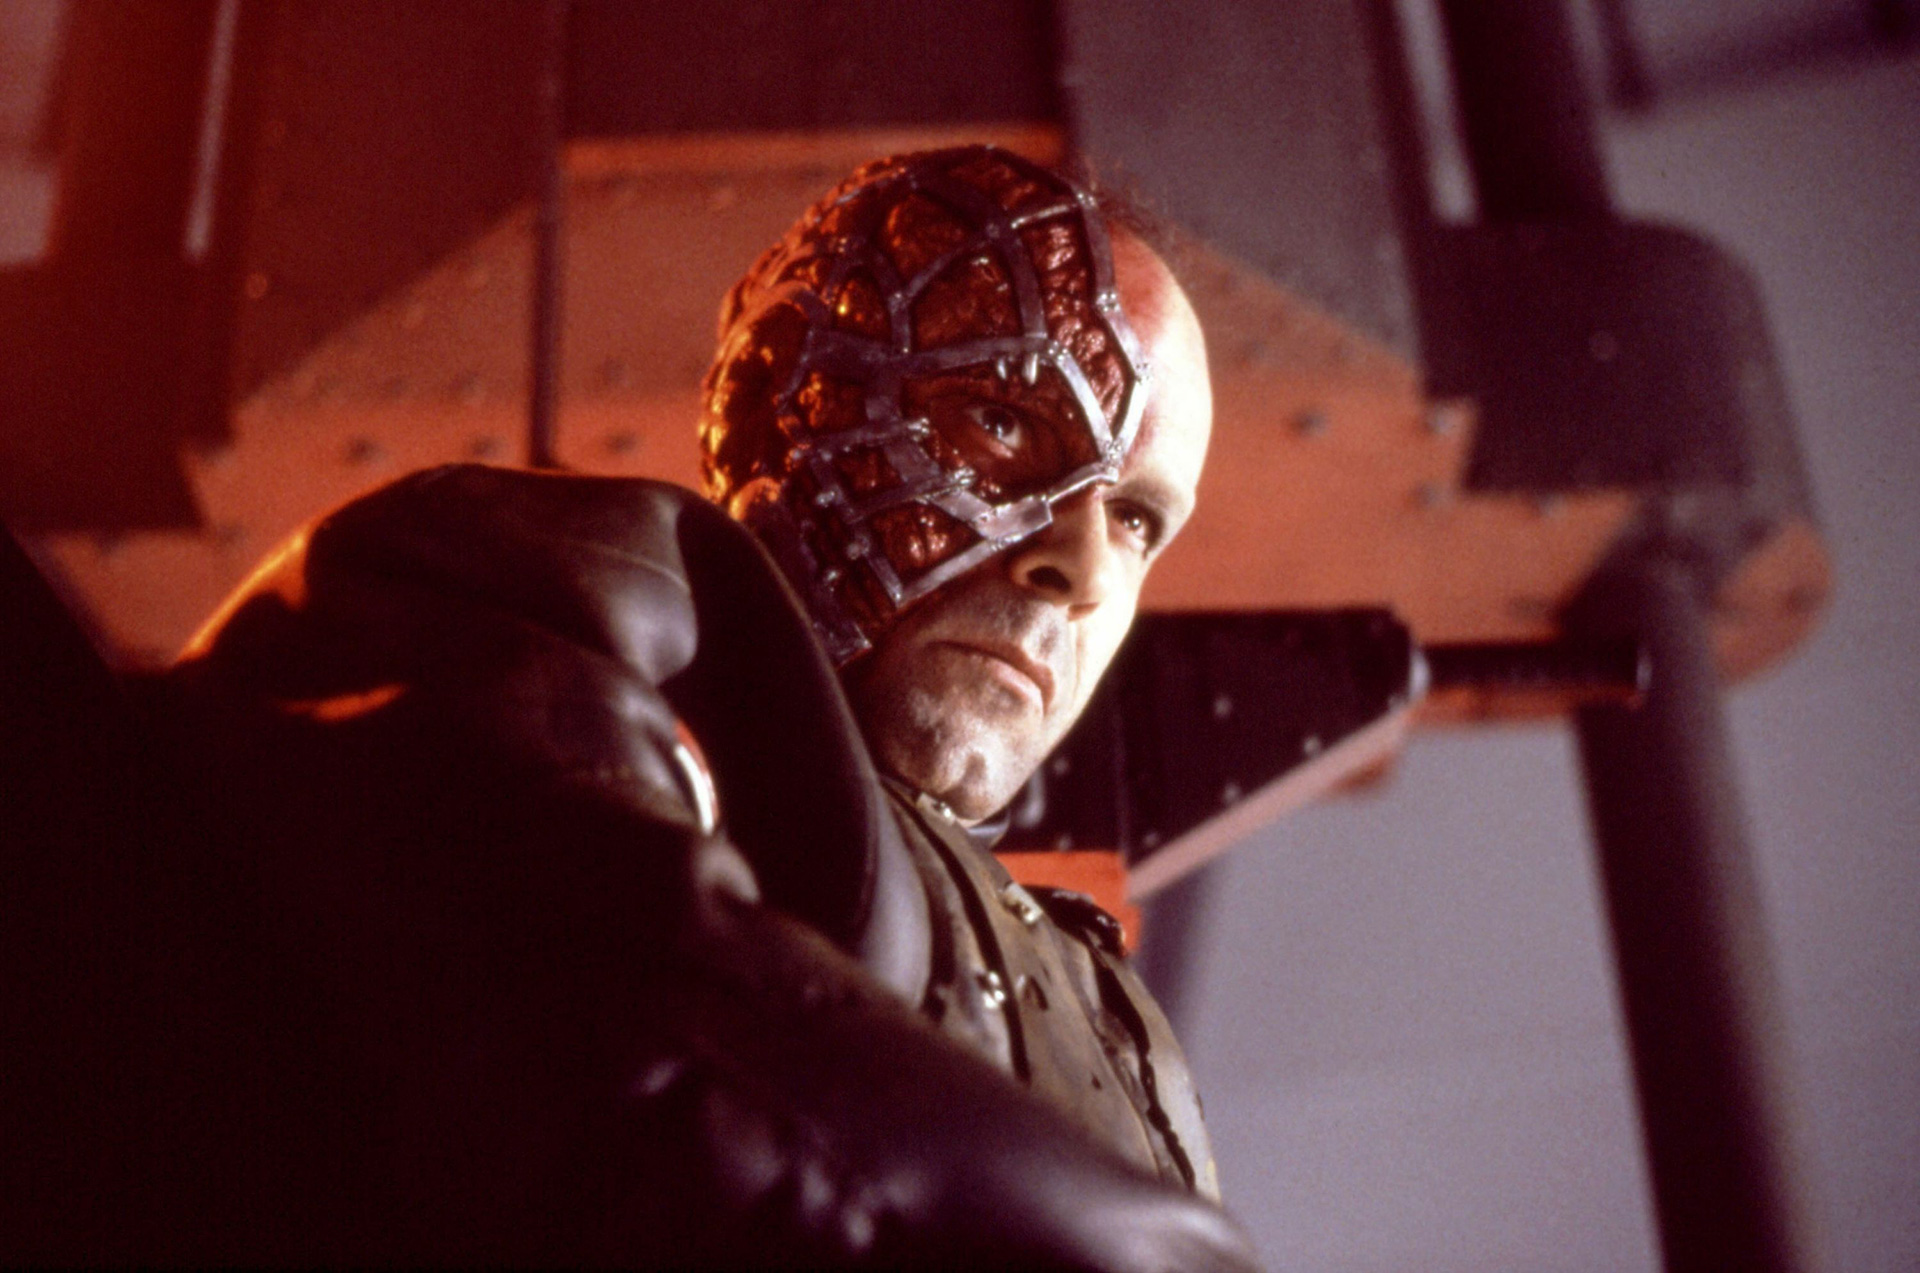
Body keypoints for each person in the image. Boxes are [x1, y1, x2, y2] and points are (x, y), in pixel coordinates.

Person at [147, 146, 1257, 1269]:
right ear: (777, 399)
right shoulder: (567, 603)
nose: (1087, 569)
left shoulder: (1124, 1036)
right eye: (1006, 426)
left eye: (1137, 521)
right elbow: (581, 980)